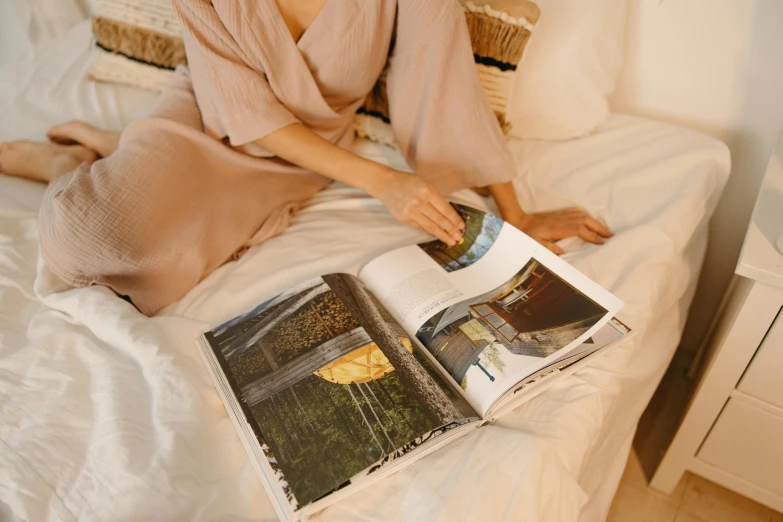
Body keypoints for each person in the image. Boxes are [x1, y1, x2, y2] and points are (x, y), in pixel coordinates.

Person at [0, 0, 611, 315]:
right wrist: (380, 181)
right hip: (204, 120)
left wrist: (517, 213)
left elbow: (443, 88)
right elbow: (239, 110)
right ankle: (69, 162)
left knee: (161, 267)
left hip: (305, 152)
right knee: (87, 239)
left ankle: (115, 146)